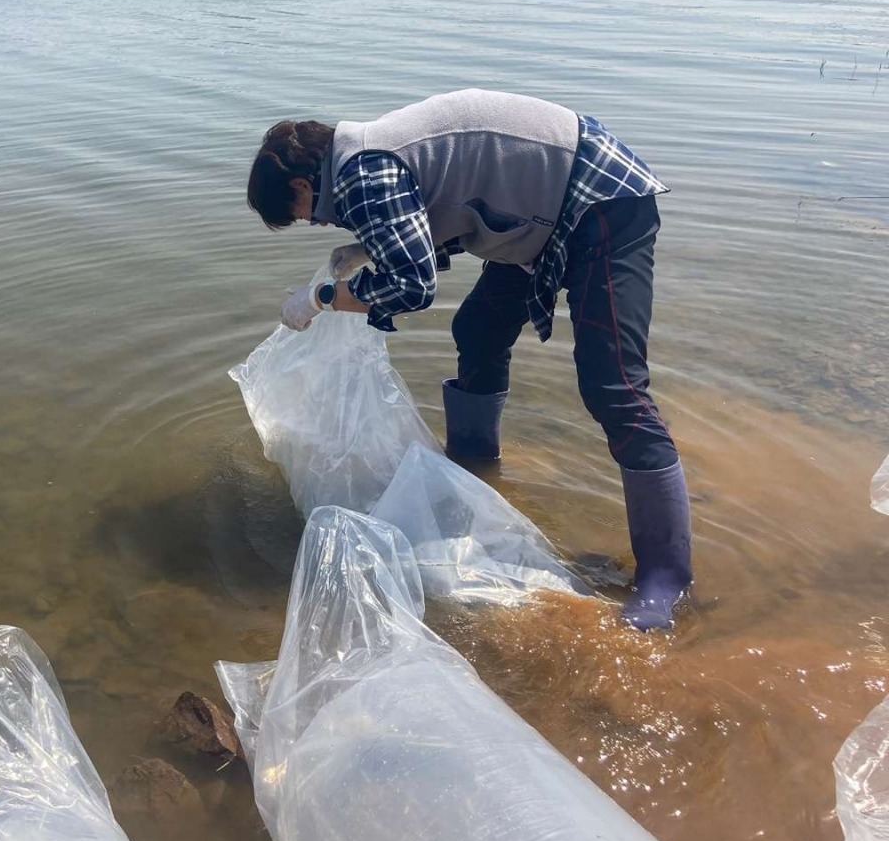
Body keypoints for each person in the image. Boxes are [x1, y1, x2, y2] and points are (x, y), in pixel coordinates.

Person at [245, 89, 692, 631]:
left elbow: (412, 288)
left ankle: (665, 575)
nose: (316, 224)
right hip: (537, 216)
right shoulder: (361, 161)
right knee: (478, 330)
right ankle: (474, 468)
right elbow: (434, 222)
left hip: (600, 201)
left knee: (613, 384)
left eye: (301, 216)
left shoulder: (361, 174)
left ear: (302, 185)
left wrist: (322, 299)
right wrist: (368, 252)